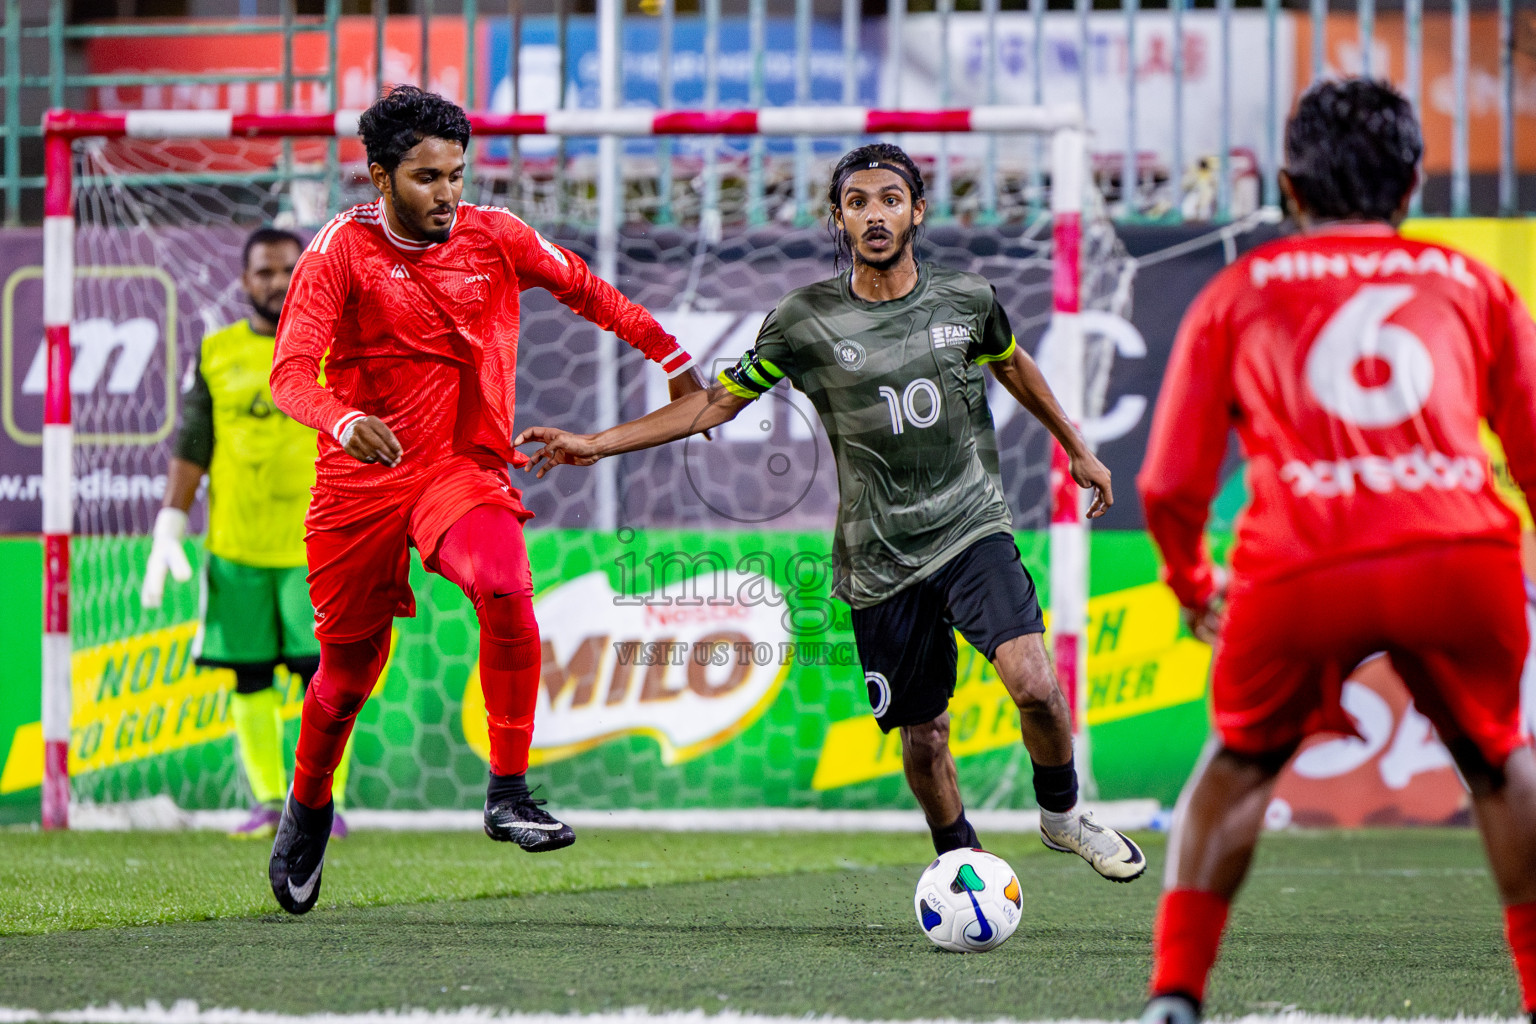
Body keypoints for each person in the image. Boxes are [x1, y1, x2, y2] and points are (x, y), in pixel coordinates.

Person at [514, 142, 1147, 883]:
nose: (874, 214)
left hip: (972, 526)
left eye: (888, 199)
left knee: (1035, 683)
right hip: (879, 558)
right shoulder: (804, 320)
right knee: (926, 734)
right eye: (857, 203)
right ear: (838, 219)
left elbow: (1011, 362)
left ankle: (1063, 814)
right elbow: (717, 402)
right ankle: (961, 868)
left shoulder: (967, 300)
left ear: (916, 210)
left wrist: (1077, 445)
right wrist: (595, 443)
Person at [1137, 78, 1536, 1022]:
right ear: (1412, 185)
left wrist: (1194, 582)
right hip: (1458, 553)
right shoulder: (1474, 282)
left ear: (1287, 187)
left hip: (1299, 561)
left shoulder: (1238, 291)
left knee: (1236, 765)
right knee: (1501, 763)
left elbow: (1166, 484)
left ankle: (1176, 997)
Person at [265, 86, 703, 915]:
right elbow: (290, 373)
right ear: (380, 175)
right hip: (357, 481)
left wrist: (671, 352)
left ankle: (508, 790)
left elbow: (588, 289)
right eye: (427, 178)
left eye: (457, 175)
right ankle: (309, 801)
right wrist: (343, 415)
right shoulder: (337, 253)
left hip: (458, 469)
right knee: (348, 676)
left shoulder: (494, 237)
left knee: (506, 587)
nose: (447, 194)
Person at [140, 226, 352, 840]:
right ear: (244, 280)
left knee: (327, 678)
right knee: (250, 676)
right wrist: (168, 527)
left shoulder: (335, 349)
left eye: (288, 269)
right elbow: (192, 444)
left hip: (317, 548)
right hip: (235, 548)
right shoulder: (217, 352)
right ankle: (267, 800)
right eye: (264, 271)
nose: (277, 282)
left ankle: (319, 803)